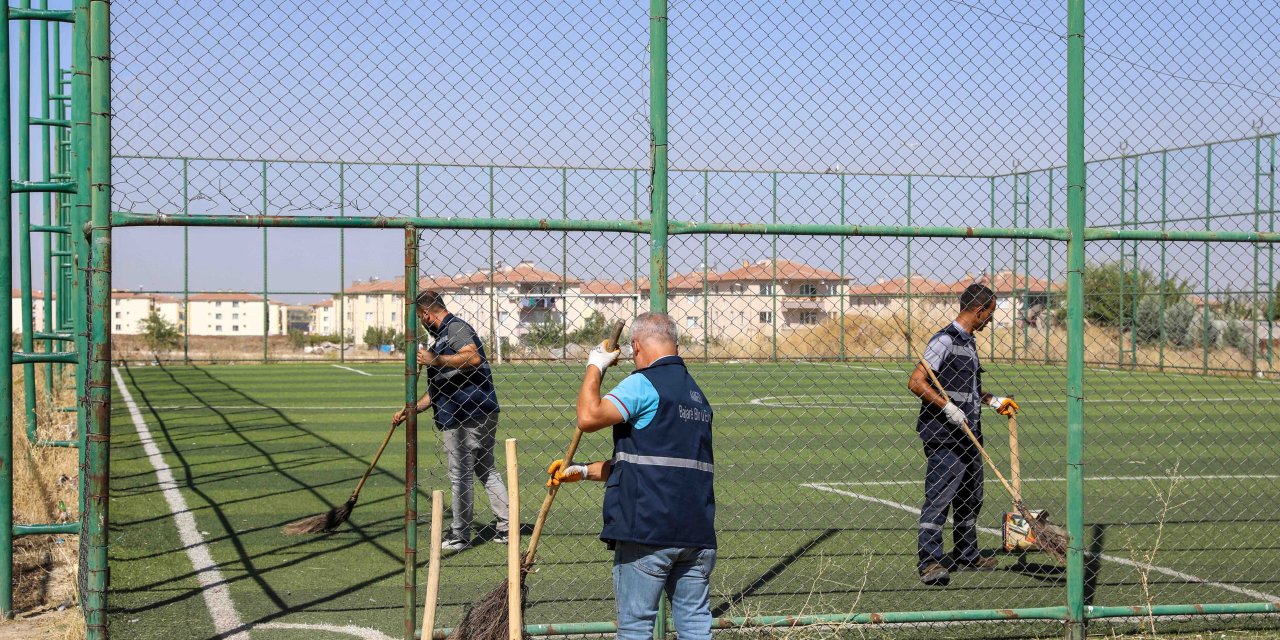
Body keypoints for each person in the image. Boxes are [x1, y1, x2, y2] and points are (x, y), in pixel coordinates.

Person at [545, 312, 716, 640]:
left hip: (647, 530)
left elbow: (588, 417)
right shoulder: (696, 397)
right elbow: (654, 464)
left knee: (636, 626)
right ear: (675, 345)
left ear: (636, 347)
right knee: (695, 625)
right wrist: (582, 471)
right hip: (696, 533)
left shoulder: (643, 383)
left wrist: (595, 365)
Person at [906, 283, 1019, 586]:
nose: (990, 320)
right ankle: (929, 562)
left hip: (969, 434)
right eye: (990, 314)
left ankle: (966, 553)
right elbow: (916, 382)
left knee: (971, 495)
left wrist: (993, 401)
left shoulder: (968, 343)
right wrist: (946, 407)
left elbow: (967, 388)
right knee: (940, 496)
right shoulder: (944, 340)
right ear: (979, 310)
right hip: (944, 435)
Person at [393, 290, 508, 550]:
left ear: (426, 314)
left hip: (466, 414)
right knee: (485, 470)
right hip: (477, 411)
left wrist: (436, 359)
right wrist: (411, 409)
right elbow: (438, 389)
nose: (420, 323)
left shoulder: (455, 328)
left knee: (461, 475)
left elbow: (473, 356)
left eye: (419, 318)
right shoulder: (441, 338)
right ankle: (507, 526)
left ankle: (460, 535)